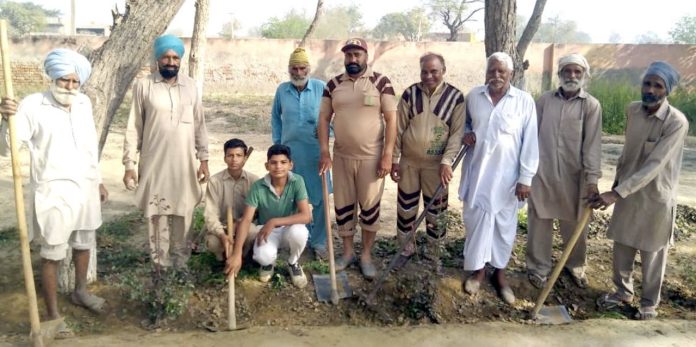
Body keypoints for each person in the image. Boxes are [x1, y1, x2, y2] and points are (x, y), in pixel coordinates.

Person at [0, 49, 108, 334]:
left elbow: (89, 145)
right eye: (64, 80)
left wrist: (97, 180)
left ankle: (80, 292)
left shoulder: (83, 103)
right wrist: (5, 119)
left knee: (84, 242)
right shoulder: (33, 105)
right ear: (52, 77)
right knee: (53, 253)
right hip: (52, 190)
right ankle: (52, 314)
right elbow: (8, 148)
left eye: (75, 82)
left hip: (85, 187)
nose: (70, 87)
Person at [590, 61, 688, 320]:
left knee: (652, 251)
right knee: (622, 244)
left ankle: (649, 302)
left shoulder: (676, 122)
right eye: (648, 83)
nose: (651, 90)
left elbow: (654, 165)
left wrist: (617, 193)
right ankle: (622, 292)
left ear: (667, 91)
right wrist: (615, 187)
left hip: (656, 197)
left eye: (658, 86)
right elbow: (628, 154)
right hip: (626, 192)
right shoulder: (633, 111)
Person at [122, 34, 209, 270]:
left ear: (180, 59)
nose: (171, 62)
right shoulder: (144, 86)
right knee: (157, 211)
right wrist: (129, 164)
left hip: (184, 162)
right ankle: (160, 264)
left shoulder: (191, 86)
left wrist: (204, 159)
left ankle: (181, 263)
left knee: (184, 209)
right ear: (158, 59)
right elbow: (134, 127)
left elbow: (199, 124)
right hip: (154, 161)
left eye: (175, 57)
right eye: (166, 57)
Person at [458, 52, 539, 304]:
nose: (496, 75)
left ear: (511, 74)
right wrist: (467, 133)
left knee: (504, 228)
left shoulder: (524, 101)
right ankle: (478, 271)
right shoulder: (473, 97)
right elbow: (463, 125)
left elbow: (530, 142)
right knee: (476, 224)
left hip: (508, 180)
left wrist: (526, 178)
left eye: (501, 71)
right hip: (478, 175)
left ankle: (500, 275)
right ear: (486, 72)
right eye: (492, 70)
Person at [318, 38, 398, 280]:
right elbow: (323, 119)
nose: (353, 59)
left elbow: (392, 119)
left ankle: (365, 255)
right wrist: (324, 151)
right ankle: (348, 253)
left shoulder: (381, 82)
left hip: (372, 159)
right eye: (349, 55)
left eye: (357, 55)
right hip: (341, 157)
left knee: (370, 207)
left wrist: (387, 155)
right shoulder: (332, 85)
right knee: (343, 207)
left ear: (366, 56)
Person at [526, 54, 603, 289]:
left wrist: (592, 180)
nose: (572, 76)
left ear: (584, 76)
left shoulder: (591, 105)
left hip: (575, 178)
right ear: (559, 74)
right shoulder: (544, 101)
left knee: (576, 225)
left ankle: (575, 267)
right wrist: (526, 173)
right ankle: (538, 268)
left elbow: (592, 145)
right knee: (539, 223)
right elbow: (530, 138)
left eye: (577, 72)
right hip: (543, 174)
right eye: (567, 71)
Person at [390, 52, 466, 269]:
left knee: (436, 211)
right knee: (406, 208)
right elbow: (399, 128)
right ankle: (405, 249)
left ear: (443, 71)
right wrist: (395, 159)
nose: (429, 75)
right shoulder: (409, 94)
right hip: (409, 163)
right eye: (425, 71)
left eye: (434, 71)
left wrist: (447, 161)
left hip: (437, 166)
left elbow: (456, 133)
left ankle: (435, 254)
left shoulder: (455, 97)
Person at [272, 47, 332, 260]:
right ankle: (294, 240)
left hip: (316, 154)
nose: (298, 72)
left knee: (319, 199)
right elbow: (276, 120)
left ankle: (319, 243)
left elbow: (332, 117)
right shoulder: (282, 90)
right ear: (289, 69)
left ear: (309, 68)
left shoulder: (321, 88)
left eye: (302, 68)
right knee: (290, 197)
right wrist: (278, 148)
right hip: (291, 155)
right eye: (294, 68)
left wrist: (329, 131)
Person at [225, 144, 311, 288]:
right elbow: (246, 220)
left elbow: (306, 216)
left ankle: (292, 262)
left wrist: (274, 221)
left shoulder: (298, 181)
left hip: (289, 228)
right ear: (267, 165)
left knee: (300, 232)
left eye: (283, 162)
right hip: (266, 231)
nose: (278, 167)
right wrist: (237, 253)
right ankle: (268, 264)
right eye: (273, 163)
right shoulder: (258, 187)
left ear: (291, 165)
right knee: (262, 256)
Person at [203, 138, 259, 262]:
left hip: (244, 226)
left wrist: (239, 223)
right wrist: (222, 235)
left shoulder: (254, 181)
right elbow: (210, 215)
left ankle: (244, 255)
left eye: (239, 155)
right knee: (212, 242)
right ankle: (223, 256)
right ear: (224, 158)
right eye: (230, 155)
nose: (234, 160)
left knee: (253, 233)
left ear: (245, 158)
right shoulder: (215, 182)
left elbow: (258, 212)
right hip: (222, 227)